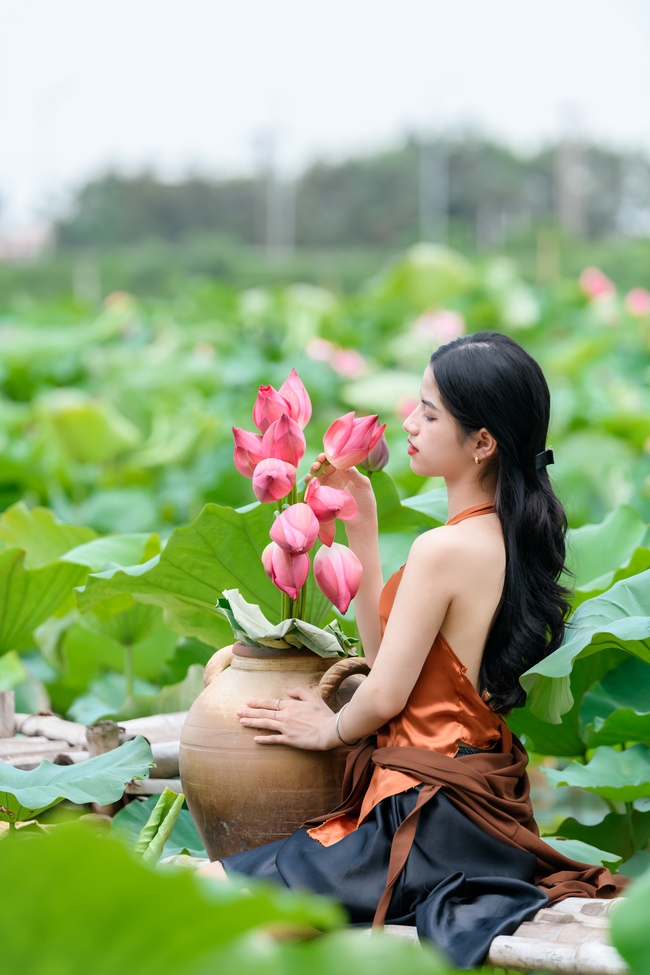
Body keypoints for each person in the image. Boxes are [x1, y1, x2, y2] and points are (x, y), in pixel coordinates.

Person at [198, 332, 624, 967]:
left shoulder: (443, 549)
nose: (408, 423)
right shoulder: (496, 536)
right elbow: (387, 658)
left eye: (430, 413)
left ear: (483, 442)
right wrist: (361, 527)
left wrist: (330, 729)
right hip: (469, 811)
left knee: (215, 903)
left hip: (427, 821)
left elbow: (388, 694)